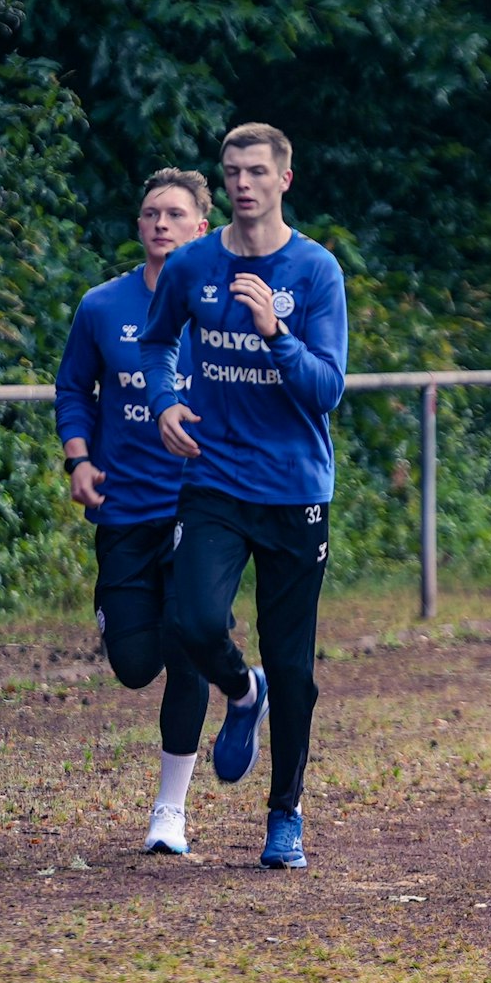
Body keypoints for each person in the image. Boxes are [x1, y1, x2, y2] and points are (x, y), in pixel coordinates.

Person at [139, 123, 349, 869]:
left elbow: (327, 387)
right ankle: (239, 687)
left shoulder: (316, 270)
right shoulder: (193, 261)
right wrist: (164, 400)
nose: (243, 183)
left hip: (294, 488)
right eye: (232, 171)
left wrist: (276, 331)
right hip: (214, 479)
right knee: (192, 620)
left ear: (284, 179)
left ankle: (285, 814)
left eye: (257, 171)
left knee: (294, 664)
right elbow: (157, 342)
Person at [55, 167, 212, 856]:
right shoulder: (102, 306)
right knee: (133, 662)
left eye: (176, 214)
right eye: (151, 212)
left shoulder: (220, 305)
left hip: (200, 502)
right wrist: (78, 458)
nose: (161, 224)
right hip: (123, 506)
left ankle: (169, 811)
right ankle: (127, 617)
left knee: (189, 642)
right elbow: (71, 388)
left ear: (202, 227)